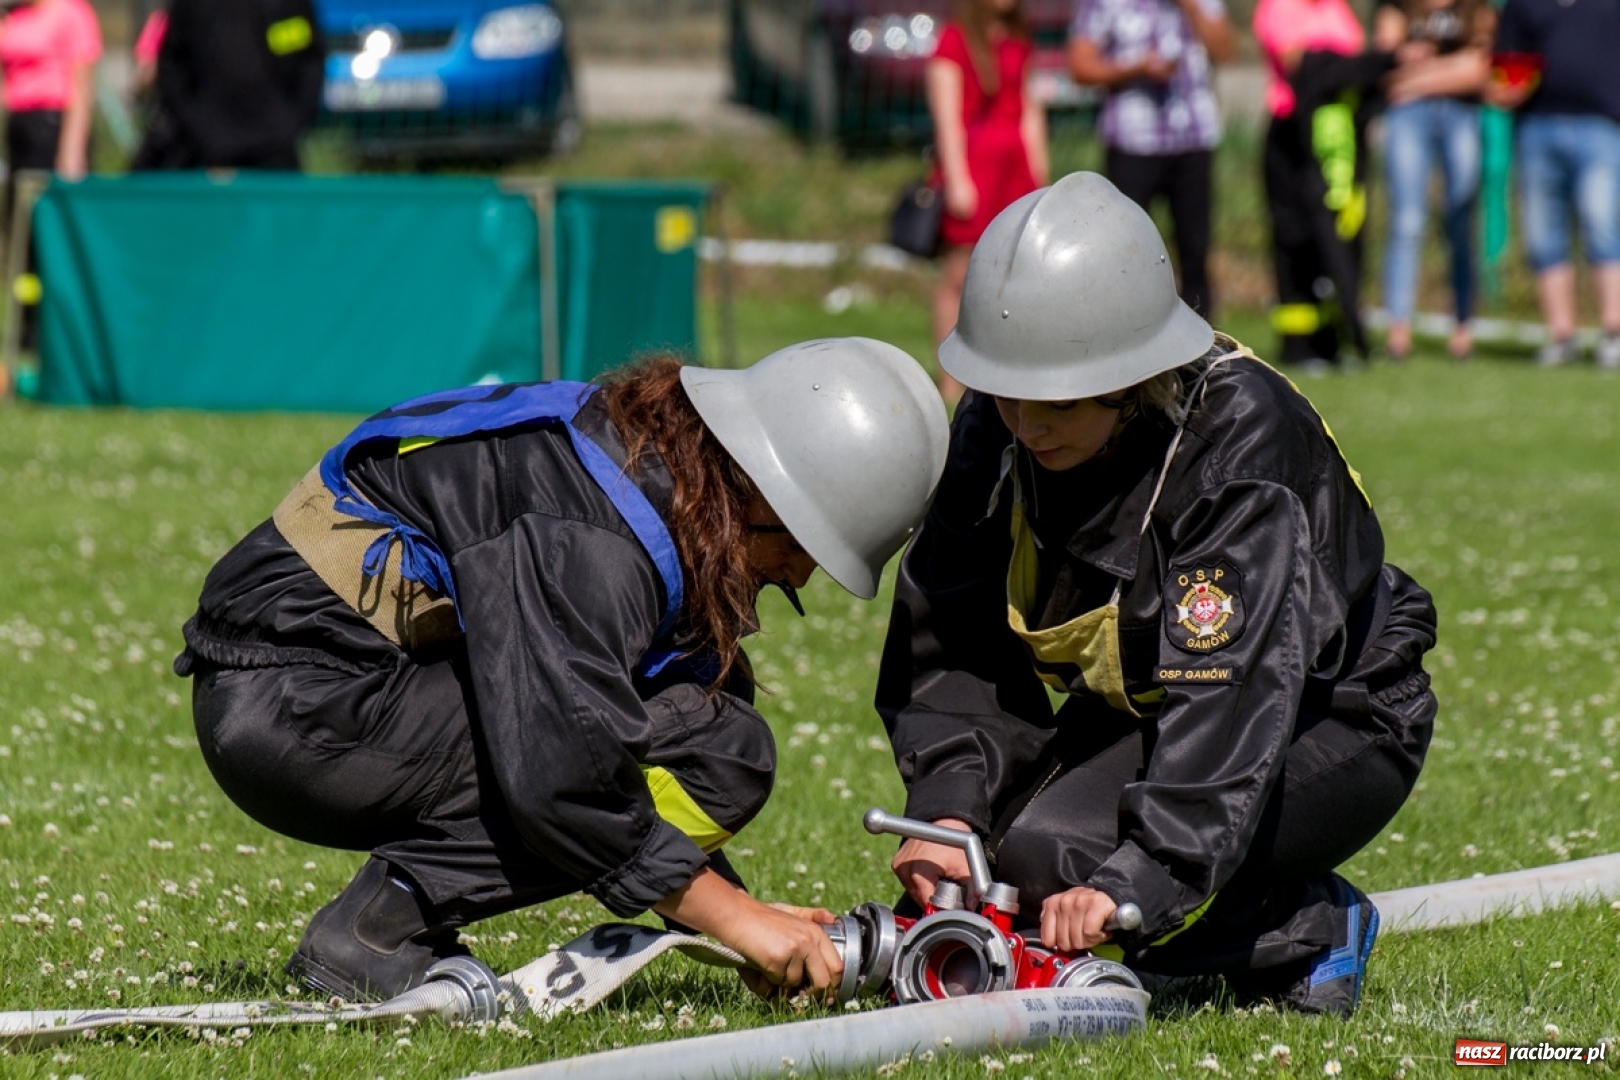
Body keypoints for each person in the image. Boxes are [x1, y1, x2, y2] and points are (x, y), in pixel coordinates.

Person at [173, 341, 951, 1002]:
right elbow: (565, 769)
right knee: (675, 751)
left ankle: (394, 913)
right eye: (802, 548)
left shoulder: (646, 459)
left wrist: (740, 918)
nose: (801, 578)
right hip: (300, 708)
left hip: (324, 690)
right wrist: (733, 918)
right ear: (759, 486)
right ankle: (376, 930)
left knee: (721, 741)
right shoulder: (586, 532)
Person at [875, 173, 1438, 1017]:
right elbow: (949, 634)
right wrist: (948, 812)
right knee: (993, 867)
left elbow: (1234, 694)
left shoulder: (1241, 441)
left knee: (1072, 874)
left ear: (1133, 371)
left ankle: (1312, 924)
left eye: (1055, 399)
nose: (1026, 424)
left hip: (1331, 709)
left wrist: (1138, 877)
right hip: (1150, 708)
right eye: (1008, 391)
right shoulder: (998, 422)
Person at [1067, 0, 1235, 319]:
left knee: (1195, 253)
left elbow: (1225, 50)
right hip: (1133, 142)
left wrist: (1192, 8)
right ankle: (1128, 341)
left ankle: (1201, 349)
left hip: (1193, 138)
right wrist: (1135, 69)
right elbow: (1079, 65)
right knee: (1125, 254)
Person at [1253, 0, 1394, 369]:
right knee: (1295, 238)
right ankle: (1300, 346)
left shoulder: (1336, 8)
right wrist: (1368, 64)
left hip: (1337, 142)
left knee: (1339, 240)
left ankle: (1337, 341)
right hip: (1292, 139)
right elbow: (1301, 65)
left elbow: (1343, 67)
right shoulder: (1279, 7)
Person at [926, 0, 1050, 401]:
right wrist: (958, 177)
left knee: (1014, 275)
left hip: (1014, 169)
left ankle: (1002, 371)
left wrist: (1040, 173)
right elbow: (946, 117)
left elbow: (1029, 108)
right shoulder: (955, 40)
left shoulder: (1018, 38)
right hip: (975, 167)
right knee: (958, 275)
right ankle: (951, 380)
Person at [1487, 0, 1620, 369]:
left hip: (1604, 127)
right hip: (1536, 127)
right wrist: (1507, 85)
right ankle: (1561, 338)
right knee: (1544, 236)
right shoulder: (1524, 4)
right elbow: (1507, 58)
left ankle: (1614, 334)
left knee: (1603, 226)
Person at [1375, 0, 1496, 361]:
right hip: (1408, 118)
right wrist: (1454, 68)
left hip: (1461, 114)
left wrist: (1420, 75)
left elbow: (1481, 69)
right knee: (1407, 222)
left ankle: (1462, 327)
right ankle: (1398, 331)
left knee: (1460, 220)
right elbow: (1385, 69)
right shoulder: (1397, 6)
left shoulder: (1475, 7)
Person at [0, 0, 101, 354]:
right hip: (20, 131)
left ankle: (64, 331)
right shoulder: (14, 17)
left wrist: (71, 153)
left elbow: (82, 84)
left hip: (54, 129)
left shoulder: (72, 13)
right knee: (22, 238)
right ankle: (28, 329)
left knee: (54, 236)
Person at [133, 0, 323, 170]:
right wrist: (200, 131)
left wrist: (287, 127)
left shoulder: (285, 5)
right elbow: (173, 66)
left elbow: (307, 63)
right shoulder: (194, 5)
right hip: (201, 154)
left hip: (274, 157)